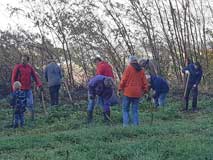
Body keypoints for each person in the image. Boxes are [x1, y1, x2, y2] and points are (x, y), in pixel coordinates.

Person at [119, 55, 148, 127]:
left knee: (125, 110)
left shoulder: (128, 68)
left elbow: (123, 80)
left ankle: (126, 125)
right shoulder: (141, 70)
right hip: (137, 93)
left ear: (130, 61)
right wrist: (145, 91)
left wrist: (120, 88)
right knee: (135, 110)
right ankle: (136, 125)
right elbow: (145, 82)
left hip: (128, 92)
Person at [11, 55, 42, 121]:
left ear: (27, 61)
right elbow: (13, 78)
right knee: (20, 106)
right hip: (20, 90)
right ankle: (20, 121)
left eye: (24, 60)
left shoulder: (30, 67)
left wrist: (39, 85)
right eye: (22, 60)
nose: (23, 61)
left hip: (28, 89)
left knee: (30, 104)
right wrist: (14, 88)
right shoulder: (18, 67)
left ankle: (32, 119)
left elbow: (35, 77)